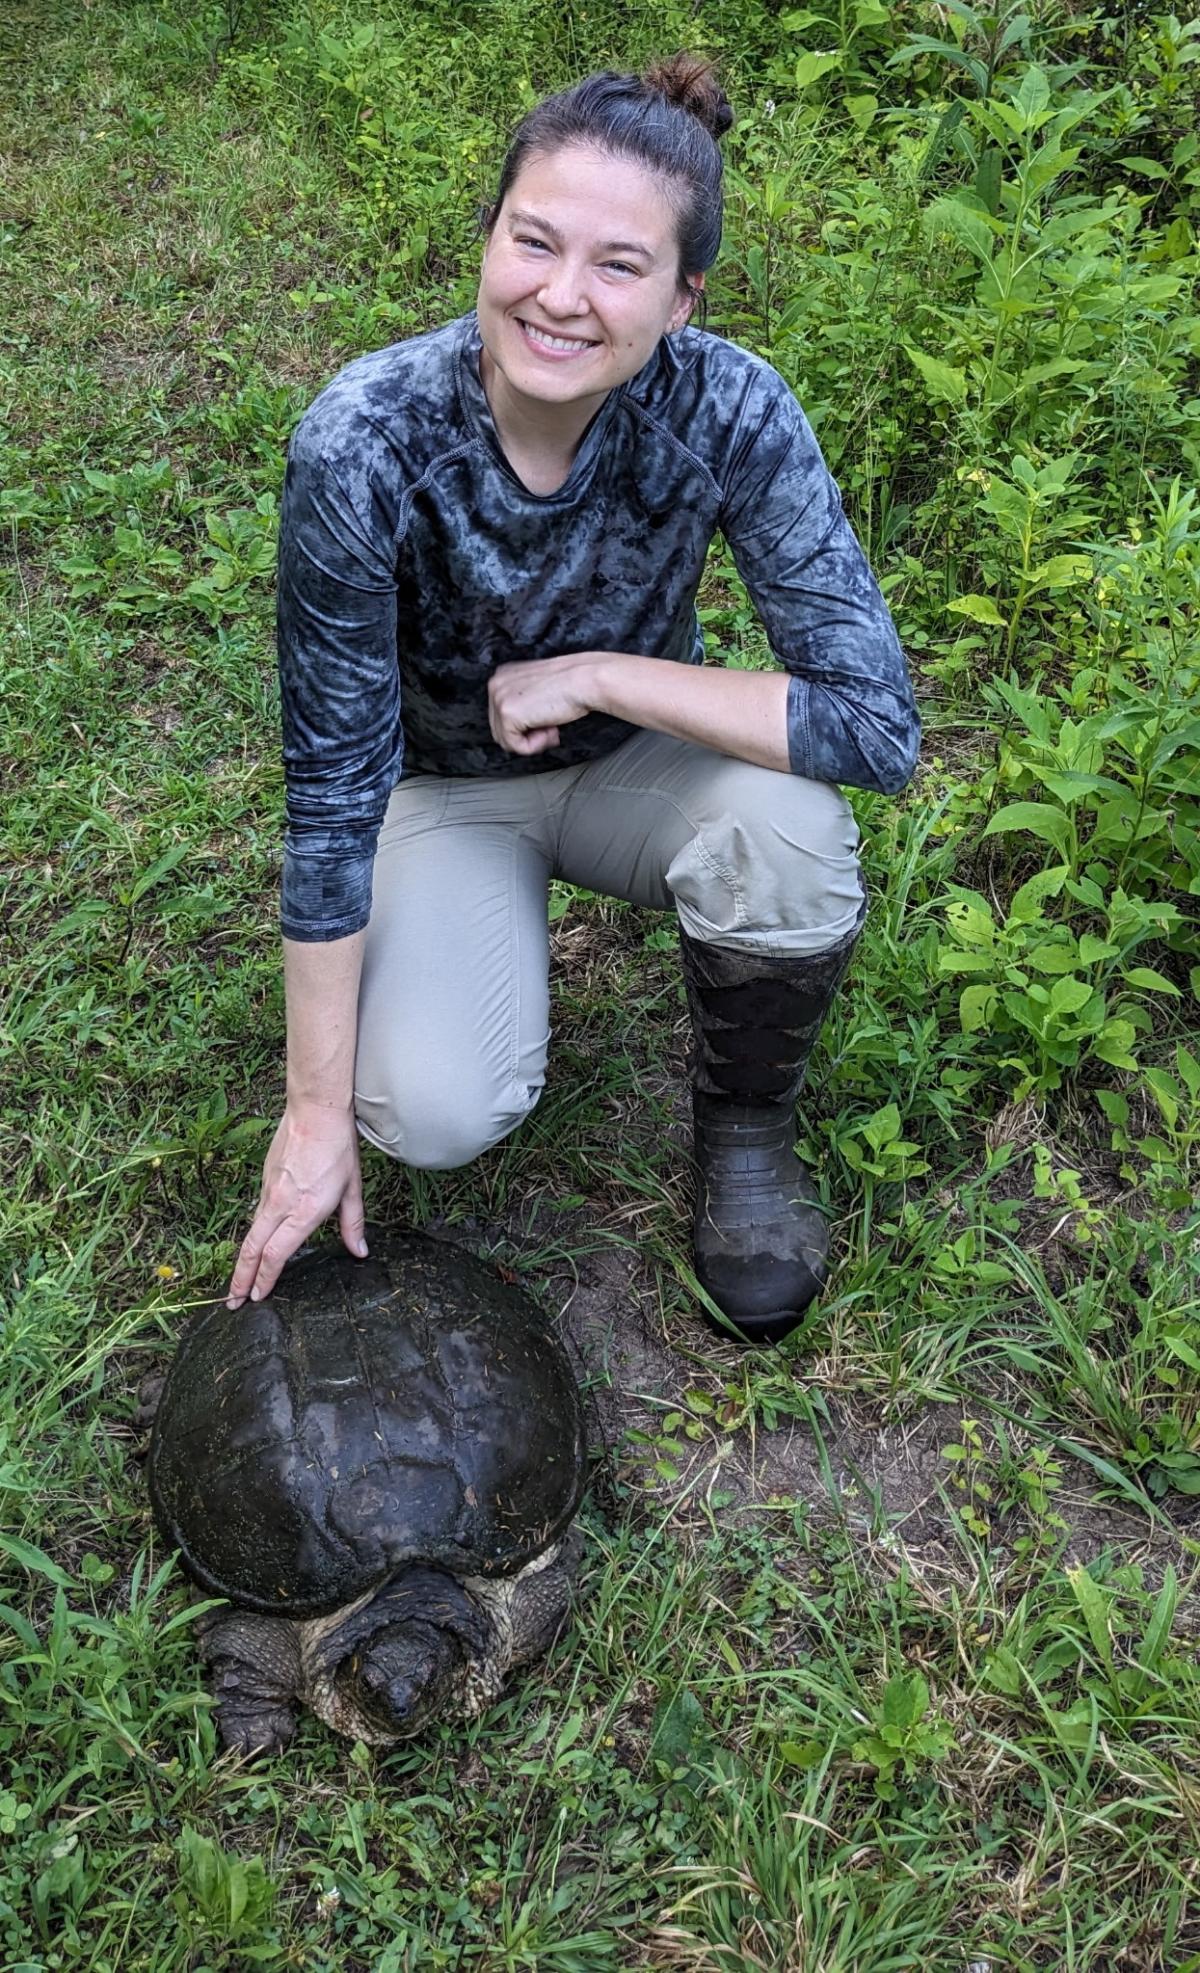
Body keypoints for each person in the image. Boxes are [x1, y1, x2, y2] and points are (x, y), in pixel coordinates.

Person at [225, 54, 920, 1345]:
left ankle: (747, 1136)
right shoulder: (363, 444)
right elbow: (328, 794)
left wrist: (601, 674)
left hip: (636, 764)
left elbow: (875, 724)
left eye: (618, 264)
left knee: (795, 834)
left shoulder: (731, 410)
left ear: (683, 298)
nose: (559, 295)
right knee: (430, 1106)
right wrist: (313, 1111)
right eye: (532, 240)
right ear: (486, 239)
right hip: (439, 793)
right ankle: (466, 950)